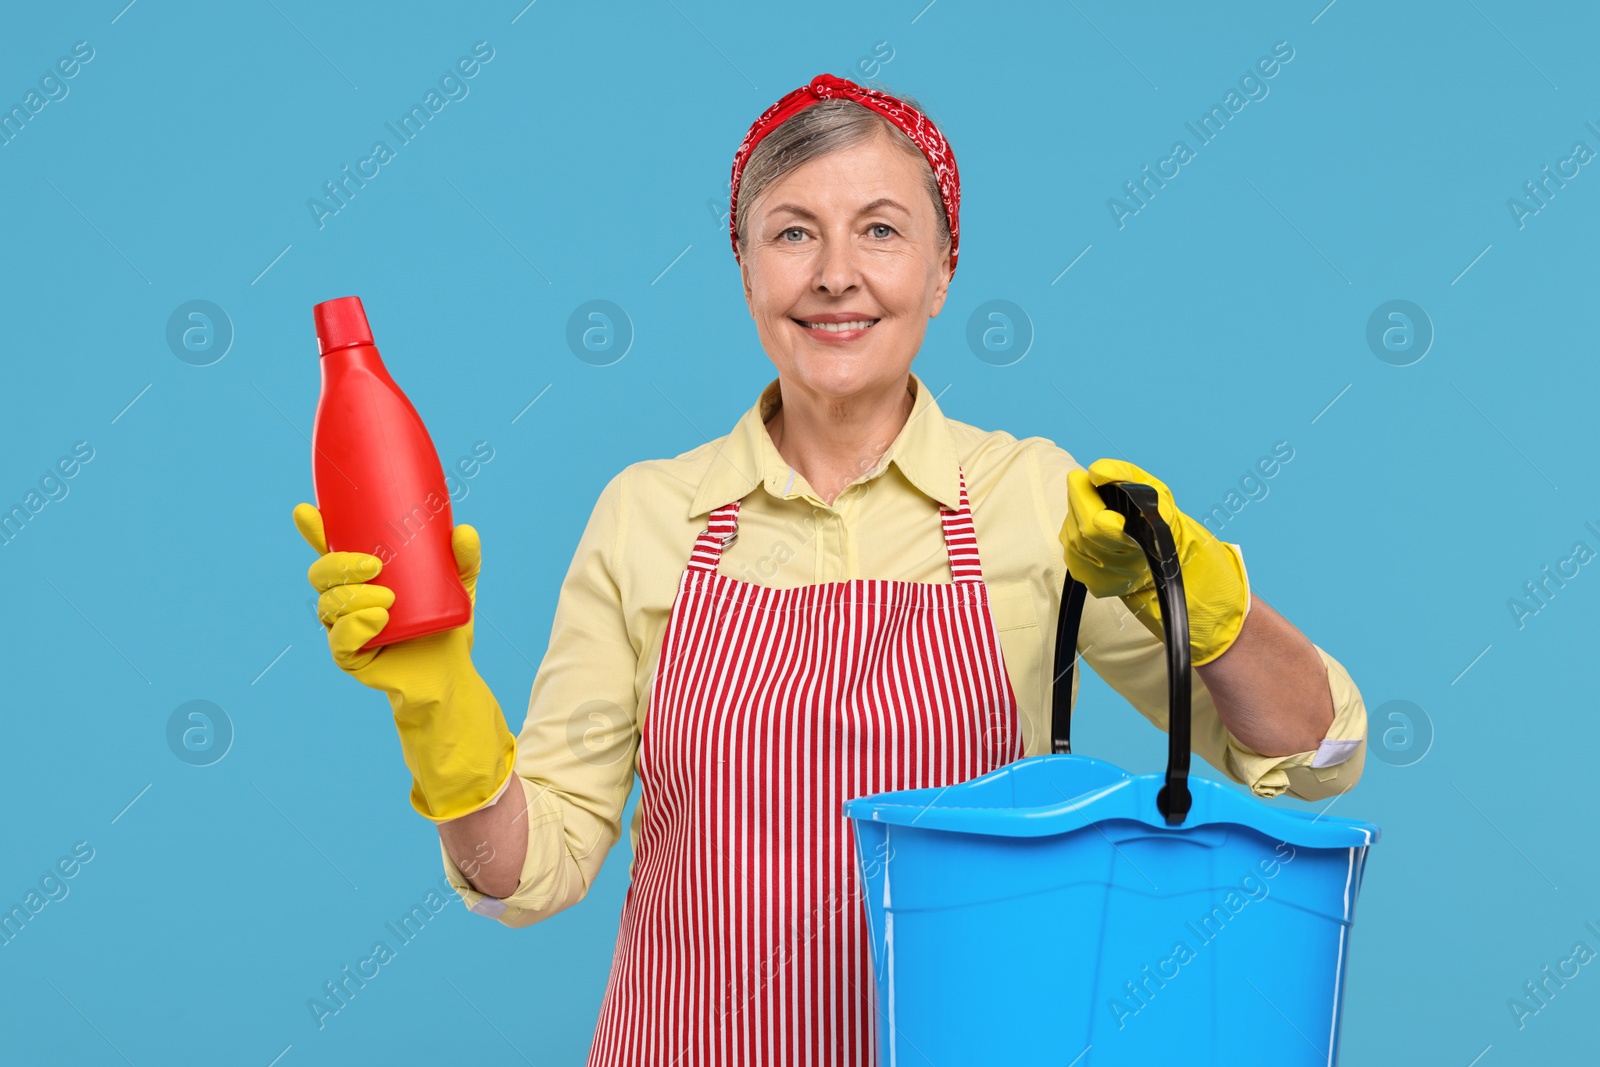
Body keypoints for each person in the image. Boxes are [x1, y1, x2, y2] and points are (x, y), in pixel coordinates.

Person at [292, 72, 1368, 1065]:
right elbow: (530, 873)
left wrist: (1204, 599)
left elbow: (1317, 755)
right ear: (744, 266)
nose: (834, 274)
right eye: (791, 232)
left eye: (881, 231)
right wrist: (438, 705)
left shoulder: (1034, 501)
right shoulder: (649, 514)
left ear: (944, 271)